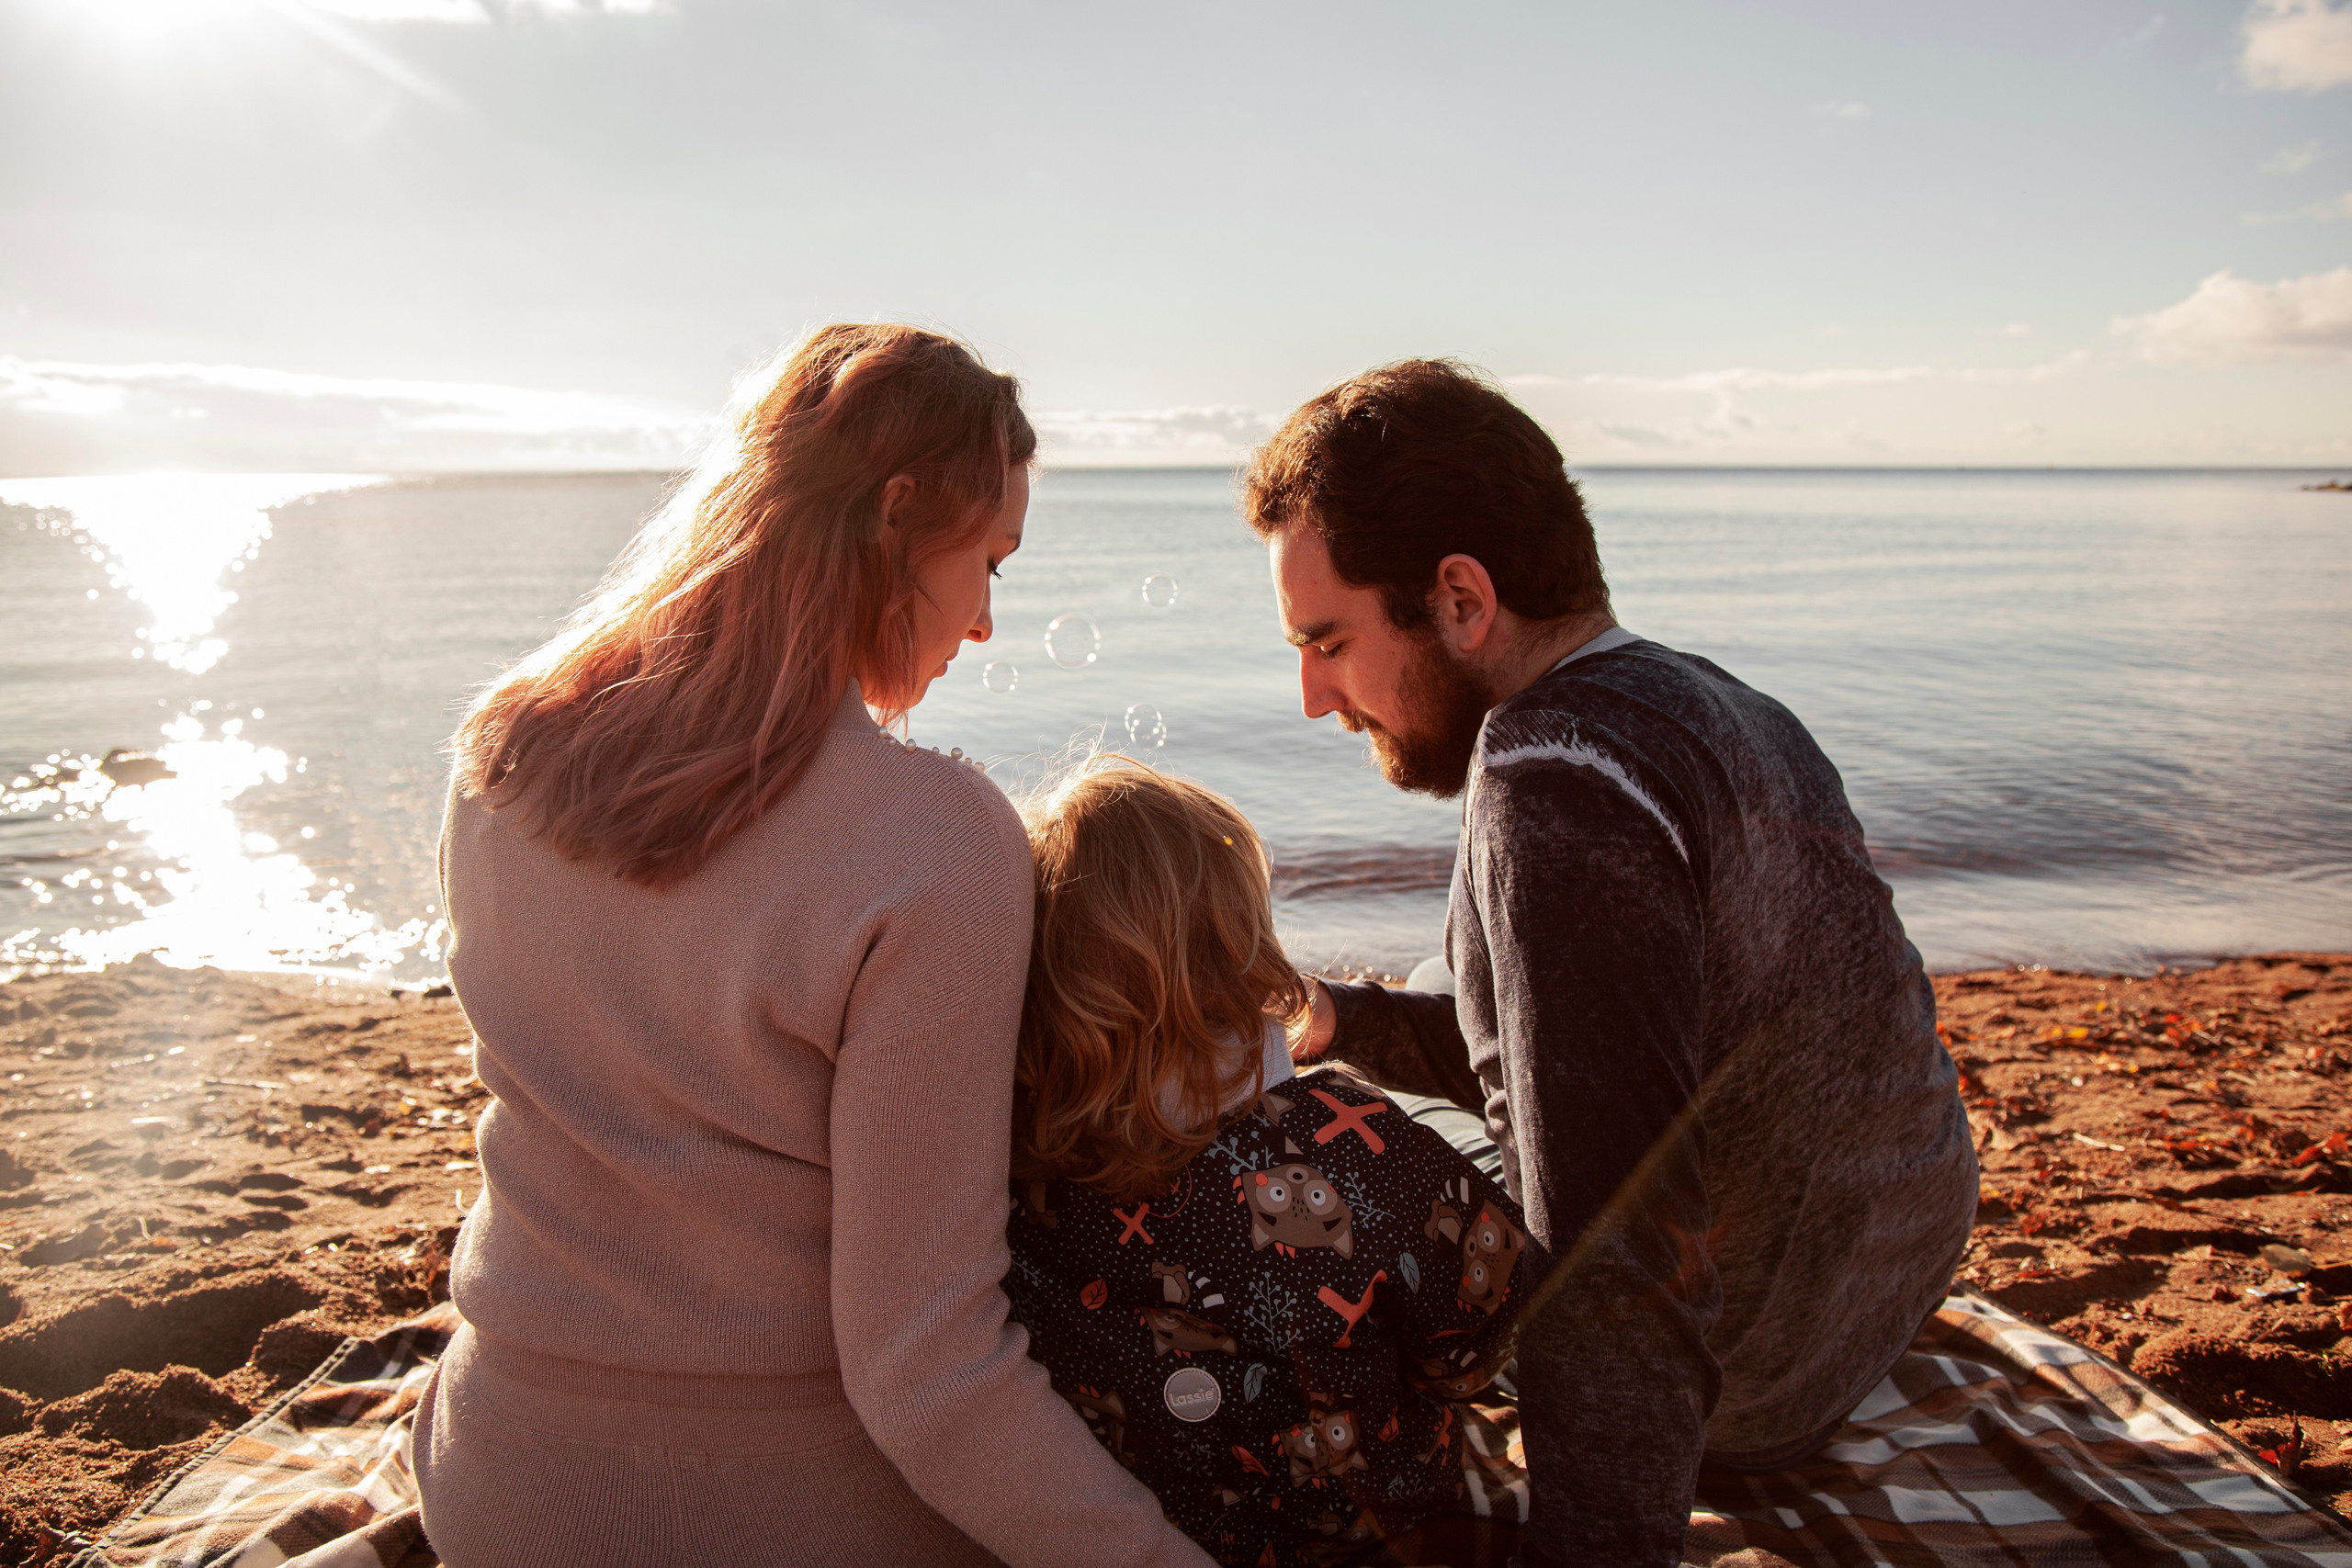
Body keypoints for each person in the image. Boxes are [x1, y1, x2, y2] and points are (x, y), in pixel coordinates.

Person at [417, 324, 1214, 1567]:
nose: (988, 623)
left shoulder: (499, 754)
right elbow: (930, 1372)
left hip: (495, 1482)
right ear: (898, 518)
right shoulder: (935, 841)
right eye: (990, 562)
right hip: (790, 1516)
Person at [1244, 360, 1979, 1567]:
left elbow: (1615, 1234)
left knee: (1294, 1150)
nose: (1315, 696)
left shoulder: (1551, 779)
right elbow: (1580, 1043)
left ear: (1463, 598)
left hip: (1748, 1372)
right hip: (1875, 1291)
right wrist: (1338, 1014)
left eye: (1328, 640)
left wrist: (1596, 1542)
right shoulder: (1718, 702)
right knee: (1342, 1074)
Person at [1001, 755, 1530, 1568]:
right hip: (1378, 1530)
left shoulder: (1014, 1175)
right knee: (1441, 989)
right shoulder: (1349, 1143)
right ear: (1238, 950)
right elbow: (1480, 1334)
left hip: (1165, 1534)